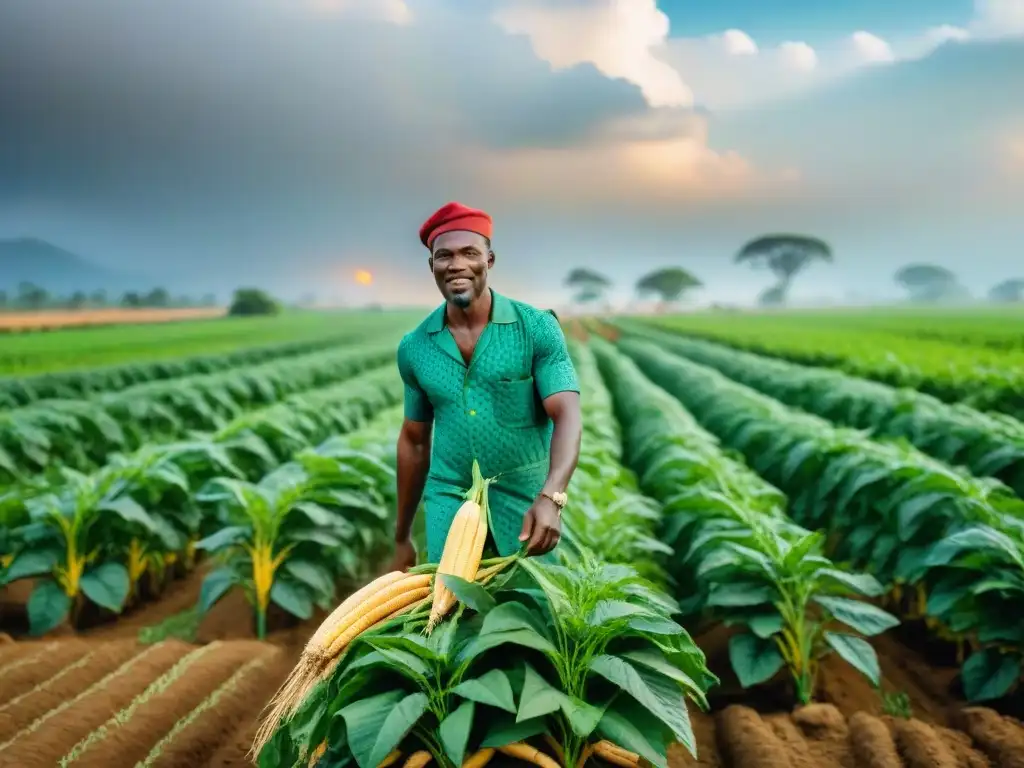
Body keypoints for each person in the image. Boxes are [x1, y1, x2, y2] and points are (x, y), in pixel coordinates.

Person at [387, 201, 582, 571]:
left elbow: (567, 414)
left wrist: (552, 497)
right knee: (445, 612)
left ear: (489, 260)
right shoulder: (415, 347)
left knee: (533, 610)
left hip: (527, 498)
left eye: (469, 253)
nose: (456, 264)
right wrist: (401, 537)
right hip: (450, 500)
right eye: (444, 255)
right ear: (432, 266)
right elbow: (413, 441)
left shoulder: (535, 328)